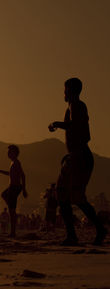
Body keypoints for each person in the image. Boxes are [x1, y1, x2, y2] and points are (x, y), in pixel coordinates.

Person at [48, 78, 107, 246]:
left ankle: (74, 235)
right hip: (78, 156)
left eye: (65, 90)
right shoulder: (76, 106)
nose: (64, 94)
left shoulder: (76, 105)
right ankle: (95, 230)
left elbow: (74, 125)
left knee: (64, 193)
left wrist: (57, 123)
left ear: (72, 91)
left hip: (79, 156)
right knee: (74, 197)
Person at [0, 145, 28, 238]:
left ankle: (13, 232)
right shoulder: (12, 163)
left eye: (10, 152)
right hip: (12, 187)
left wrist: (24, 189)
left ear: (15, 153)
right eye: (8, 152)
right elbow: (9, 174)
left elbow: (23, 176)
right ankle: (14, 213)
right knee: (3, 194)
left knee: (11, 211)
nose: (8, 153)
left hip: (15, 187)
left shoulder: (16, 162)